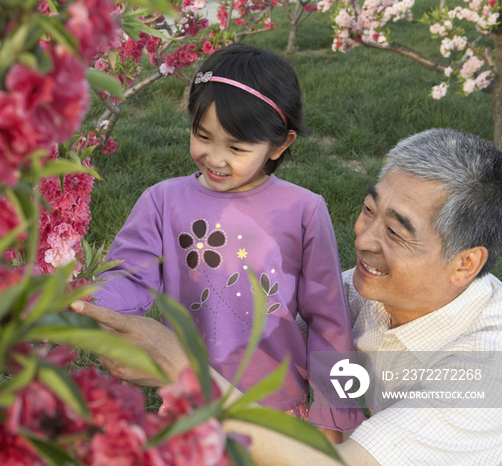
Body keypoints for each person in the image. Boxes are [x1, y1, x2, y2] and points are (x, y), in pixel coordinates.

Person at [73, 128, 502, 465]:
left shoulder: (484, 371)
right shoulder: (365, 293)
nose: (365, 240)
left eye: (395, 232)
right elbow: (282, 338)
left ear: (465, 264)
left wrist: (182, 368)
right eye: (369, 210)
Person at [91, 43, 363, 440]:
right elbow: (130, 276)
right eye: (203, 136)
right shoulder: (162, 201)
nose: (215, 158)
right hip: (192, 397)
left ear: (281, 145)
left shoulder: (304, 210)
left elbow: (329, 318)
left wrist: (334, 418)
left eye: (236, 148)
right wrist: (92, 307)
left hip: (279, 405)